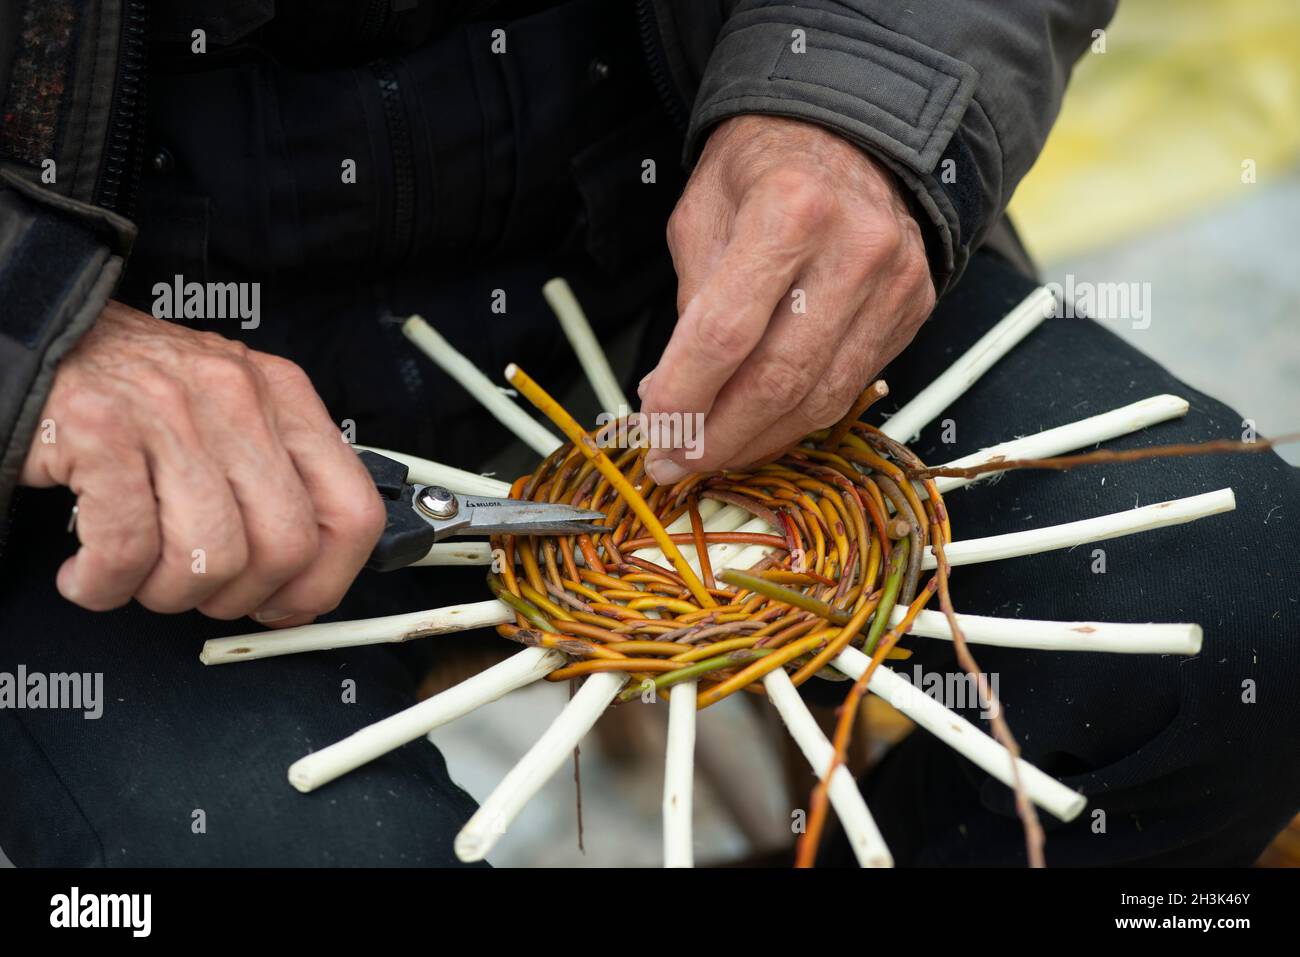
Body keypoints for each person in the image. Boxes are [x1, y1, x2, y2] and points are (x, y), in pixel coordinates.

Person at [1, 1, 1295, 867]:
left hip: (682, 255)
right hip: (107, 406)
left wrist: (857, 86)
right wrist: (37, 326)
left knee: (1243, 627)